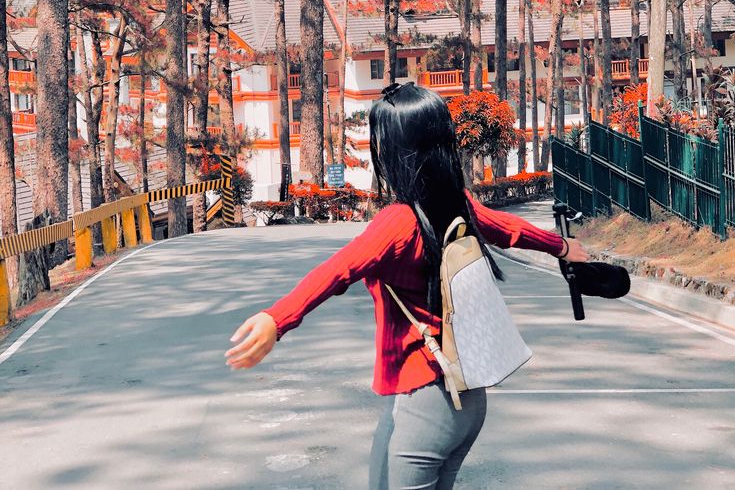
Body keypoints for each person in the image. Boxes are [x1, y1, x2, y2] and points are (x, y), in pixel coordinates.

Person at [226, 82, 588, 489]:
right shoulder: (457, 203)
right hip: (465, 395)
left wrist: (277, 319)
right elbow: (509, 230)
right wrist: (562, 247)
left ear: (395, 150)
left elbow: (338, 270)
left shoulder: (399, 221)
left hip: (426, 401)